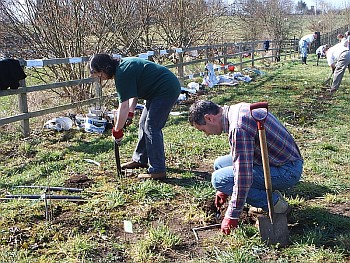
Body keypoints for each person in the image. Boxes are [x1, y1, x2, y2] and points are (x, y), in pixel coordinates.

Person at [188, 100, 303, 235]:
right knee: (219, 164)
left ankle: (277, 205)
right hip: (275, 159)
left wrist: (232, 215)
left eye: (203, 130)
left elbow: (243, 177)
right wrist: (224, 191)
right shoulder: (236, 110)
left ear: (209, 118)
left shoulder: (238, 127)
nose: (206, 134)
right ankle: (263, 195)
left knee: (219, 180)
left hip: (287, 170)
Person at [89, 54, 181, 179]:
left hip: (165, 89)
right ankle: (140, 159)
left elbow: (123, 106)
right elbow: (133, 94)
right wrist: (130, 114)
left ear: (106, 67)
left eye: (100, 75)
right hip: (156, 91)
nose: (102, 78)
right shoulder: (122, 67)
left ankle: (158, 170)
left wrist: (117, 130)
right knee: (143, 124)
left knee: (151, 127)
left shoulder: (122, 73)